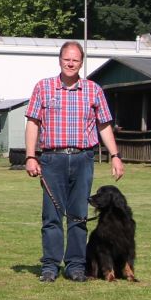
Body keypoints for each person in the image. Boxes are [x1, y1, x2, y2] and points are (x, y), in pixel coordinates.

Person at [24, 41, 124, 283]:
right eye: (67, 59)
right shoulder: (44, 88)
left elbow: (104, 125)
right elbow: (32, 123)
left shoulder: (93, 90)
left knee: (78, 215)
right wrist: (30, 156)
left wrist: (115, 155)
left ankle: (76, 266)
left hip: (83, 159)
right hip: (52, 159)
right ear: (60, 60)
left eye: (75, 60)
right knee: (52, 216)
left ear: (81, 63)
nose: (70, 63)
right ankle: (50, 266)